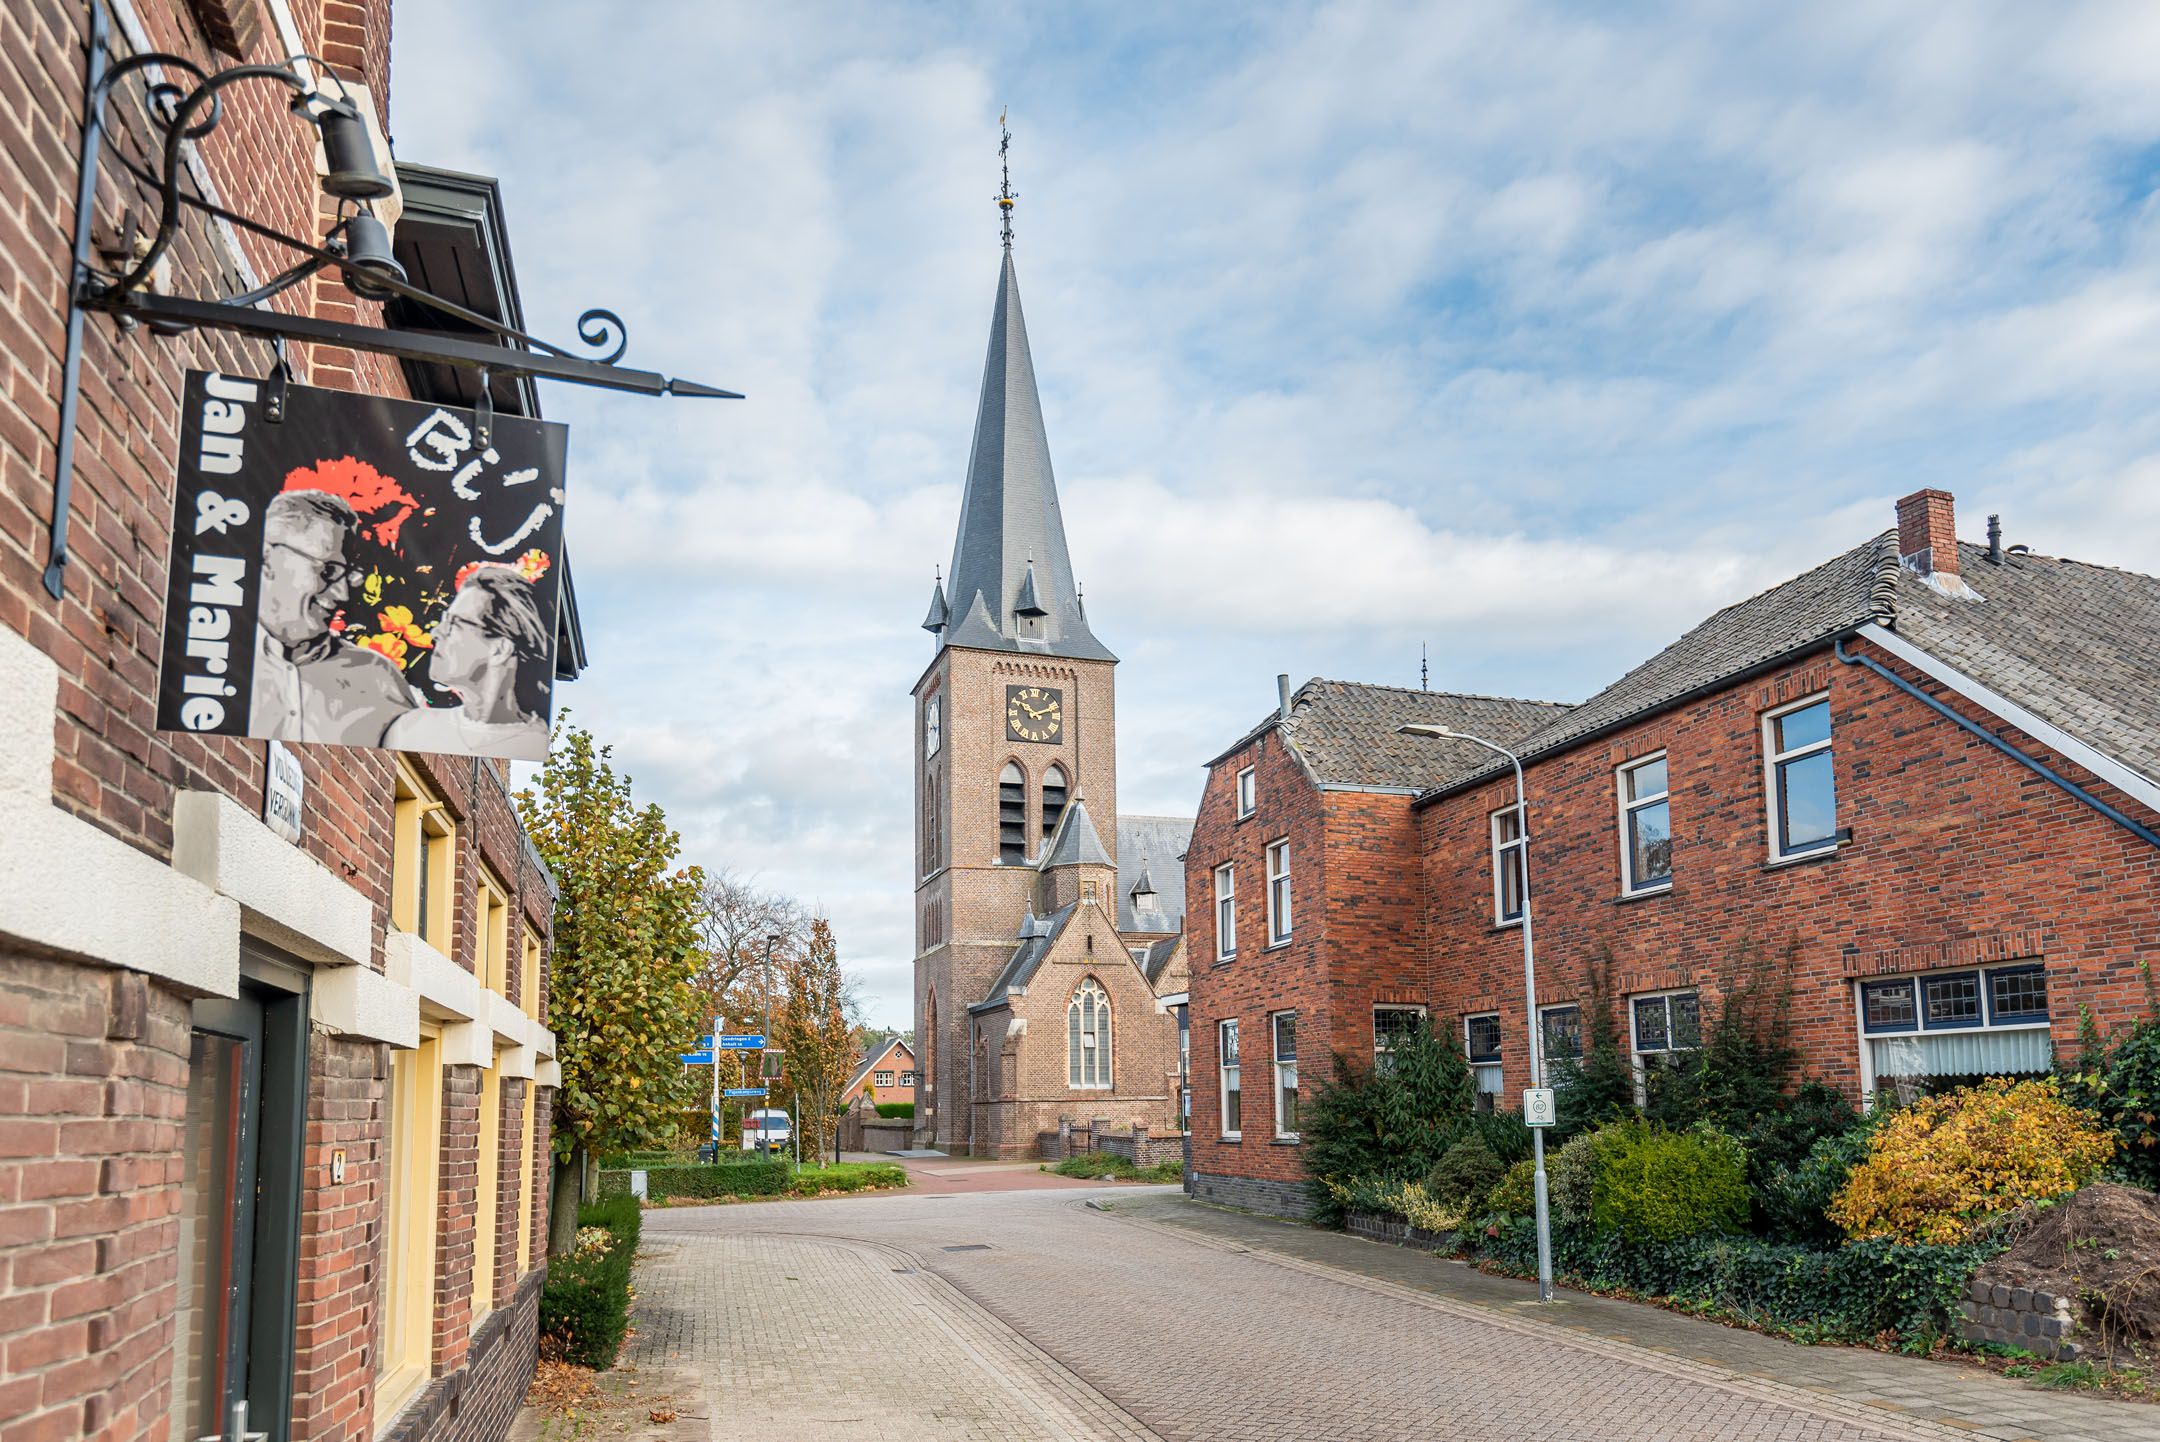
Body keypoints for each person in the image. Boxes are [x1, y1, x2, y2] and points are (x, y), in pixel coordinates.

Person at [251, 489, 412, 747]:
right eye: (328, 570)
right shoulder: (219, 654)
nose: (343, 594)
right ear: (268, 558)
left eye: (347, 574)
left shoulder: (379, 680)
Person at [383, 565, 552, 760]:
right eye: (445, 620)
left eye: (455, 623)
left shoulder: (531, 741)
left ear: (500, 649)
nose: (436, 632)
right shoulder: (411, 727)